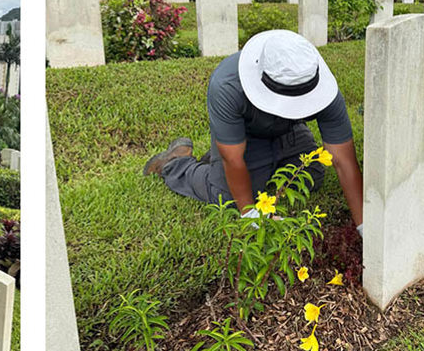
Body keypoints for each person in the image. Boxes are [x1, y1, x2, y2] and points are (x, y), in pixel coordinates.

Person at [144, 30, 364, 232]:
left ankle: (224, 157)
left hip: (288, 130)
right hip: (247, 134)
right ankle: (175, 164)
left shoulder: (314, 79)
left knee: (311, 176)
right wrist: (251, 214)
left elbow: (344, 160)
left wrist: (364, 227)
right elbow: (233, 160)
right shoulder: (227, 85)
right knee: (228, 197)